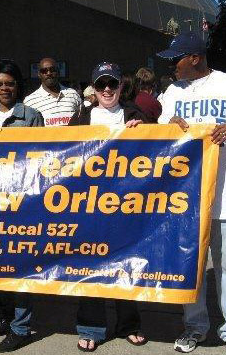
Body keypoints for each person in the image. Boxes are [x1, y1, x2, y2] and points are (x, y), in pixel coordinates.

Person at [157, 31, 226, 355]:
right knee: (192, 266)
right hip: (187, 199)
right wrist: (167, 127)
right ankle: (195, 327)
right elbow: (160, 136)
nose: (172, 66)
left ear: (195, 58)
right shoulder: (172, 92)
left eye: (176, 59)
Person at [69, 62, 148, 352]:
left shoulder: (134, 114)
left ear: (119, 86)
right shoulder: (81, 118)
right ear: (94, 87)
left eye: (111, 84)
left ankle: (129, 324)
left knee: (124, 264)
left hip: (126, 205)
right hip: (88, 206)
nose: (106, 90)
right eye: (101, 84)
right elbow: (63, 158)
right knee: (89, 264)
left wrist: (142, 132)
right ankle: (90, 327)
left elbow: (157, 153)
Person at [0, 59, 43, 353]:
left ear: (18, 86)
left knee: (19, 266)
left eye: (10, 83)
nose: (4, 88)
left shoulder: (32, 116)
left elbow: (43, 158)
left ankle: (21, 327)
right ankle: (5, 317)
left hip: (22, 202)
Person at [24, 57, 81, 126]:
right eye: (44, 71)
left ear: (58, 72)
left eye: (52, 70)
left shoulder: (73, 94)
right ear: (39, 74)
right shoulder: (30, 101)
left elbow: (82, 120)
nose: (48, 73)